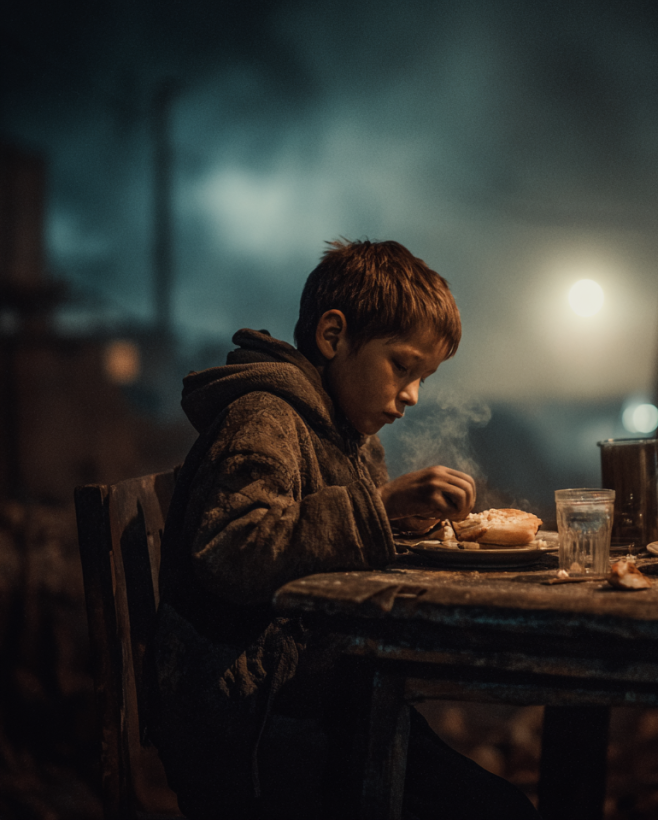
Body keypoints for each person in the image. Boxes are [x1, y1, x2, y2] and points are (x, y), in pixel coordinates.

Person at [147, 239, 541, 819]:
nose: (409, 396)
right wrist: (377, 509)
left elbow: (341, 538)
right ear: (334, 337)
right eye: (402, 366)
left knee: (501, 804)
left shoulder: (347, 437)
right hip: (260, 729)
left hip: (323, 702)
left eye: (423, 379)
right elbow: (232, 548)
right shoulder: (264, 416)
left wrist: (405, 523)